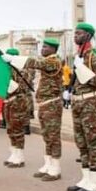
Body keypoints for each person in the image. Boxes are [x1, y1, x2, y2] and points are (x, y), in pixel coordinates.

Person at [64, 23, 96, 191]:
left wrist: (81, 68)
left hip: (89, 102)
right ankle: (85, 178)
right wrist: (68, 90)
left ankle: (94, 182)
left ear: (88, 35)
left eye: (79, 33)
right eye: (75, 33)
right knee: (81, 141)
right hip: (78, 103)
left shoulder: (92, 57)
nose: (76, 35)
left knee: (92, 141)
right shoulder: (79, 55)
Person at [21, 38, 63, 181]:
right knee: (46, 135)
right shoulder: (48, 61)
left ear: (53, 49)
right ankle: (48, 164)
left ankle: (55, 168)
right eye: (42, 47)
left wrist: (15, 59)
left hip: (52, 104)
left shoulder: (54, 61)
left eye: (45, 47)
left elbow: (36, 63)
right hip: (45, 104)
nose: (42, 49)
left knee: (53, 136)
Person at [1, 48, 29, 168]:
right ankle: (14, 154)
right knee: (10, 129)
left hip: (18, 102)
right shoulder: (7, 70)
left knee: (17, 130)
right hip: (8, 102)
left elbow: (19, 88)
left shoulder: (22, 71)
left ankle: (20, 157)